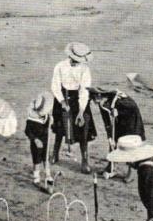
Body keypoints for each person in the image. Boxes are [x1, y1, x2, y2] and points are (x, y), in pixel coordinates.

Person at [50, 42, 97, 174]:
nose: (76, 62)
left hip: (79, 100)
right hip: (62, 97)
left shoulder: (85, 70)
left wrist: (81, 111)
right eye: (74, 60)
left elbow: (84, 90)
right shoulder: (59, 66)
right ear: (70, 56)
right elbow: (55, 86)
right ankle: (55, 153)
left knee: (83, 129)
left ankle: (85, 160)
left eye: (79, 61)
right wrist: (62, 102)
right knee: (60, 127)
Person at [89, 86, 145, 179]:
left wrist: (118, 112)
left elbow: (133, 108)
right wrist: (109, 136)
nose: (94, 102)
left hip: (132, 121)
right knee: (113, 142)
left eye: (94, 99)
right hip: (119, 121)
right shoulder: (102, 103)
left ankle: (130, 172)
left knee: (129, 145)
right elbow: (106, 120)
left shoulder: (120, 100)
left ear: (99, 96)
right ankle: (111, 167)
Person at [24, 92, 54, 193]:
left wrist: (50, 124)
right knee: (37, 159)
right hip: (36, 142)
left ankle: (48, 174)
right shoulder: (31, 119)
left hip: (45, 140)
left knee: (46, 158)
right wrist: (35, 140)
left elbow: (49, 126)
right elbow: (27, 131)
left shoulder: (46, 116)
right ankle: (36, 177)